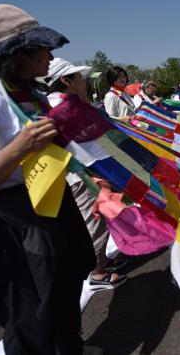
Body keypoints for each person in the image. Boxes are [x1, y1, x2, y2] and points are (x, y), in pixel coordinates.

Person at [0, 4, 95, 353]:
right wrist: (21, 146)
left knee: (64, 296)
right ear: (18, 54)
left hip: (50, 204)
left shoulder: (30, 95)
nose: (49, 56)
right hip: (9, 222)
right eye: (41, 49)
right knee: (30, 317)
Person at [40, 58, 127, 290]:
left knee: (105, 215)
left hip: (92, 170)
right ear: (65, 80)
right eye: (79, 77)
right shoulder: (60, 108)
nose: (84, 81)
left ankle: (104, 261)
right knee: (94, 221)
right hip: (82, 175)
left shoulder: (69, 104)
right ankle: (97, 274)